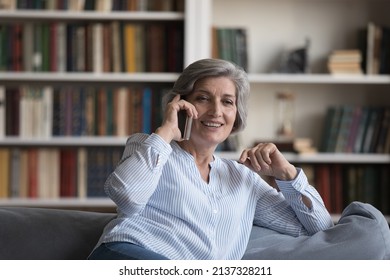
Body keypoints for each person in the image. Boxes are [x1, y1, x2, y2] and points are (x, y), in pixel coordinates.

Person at [88, 58, 389, 260]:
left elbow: (319, 229)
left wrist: (286, 176)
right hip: (126, 255)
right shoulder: (149, 147)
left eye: (227, 102)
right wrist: (166, 130)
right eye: (203, 98)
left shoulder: (242, 178)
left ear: (236, 115)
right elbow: (127, 197)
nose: (216, 111)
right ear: (181, 105)